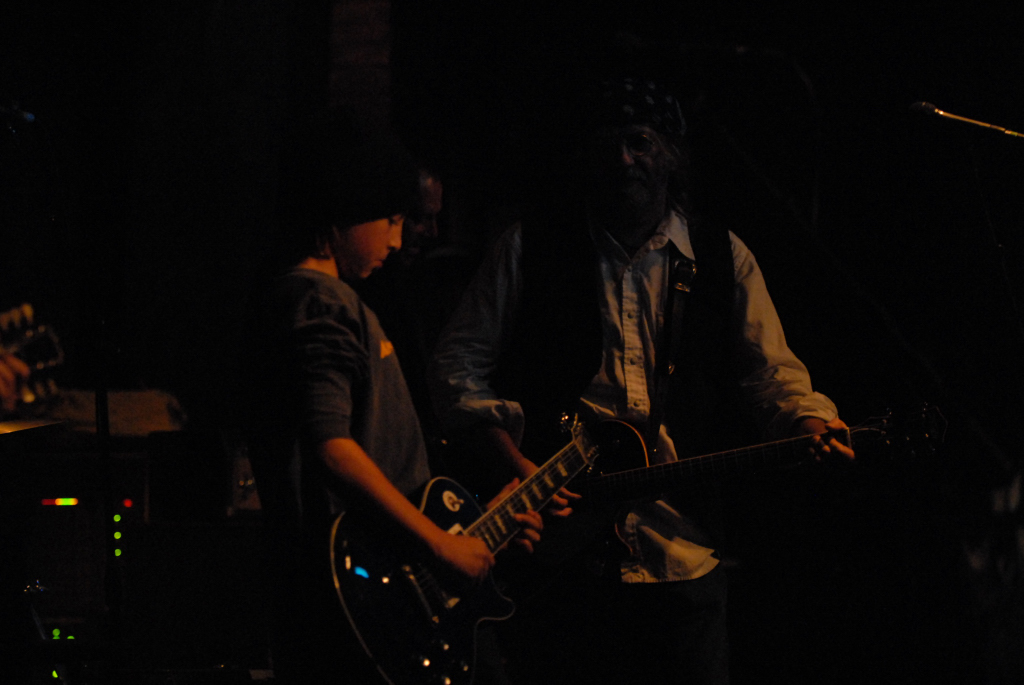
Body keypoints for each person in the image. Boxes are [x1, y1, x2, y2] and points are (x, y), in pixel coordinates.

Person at [428, 75, 855, 684]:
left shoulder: (721, 255)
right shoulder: (531, 246)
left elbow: (772, 373)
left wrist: (808, 422)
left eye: (640, 141)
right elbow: (455, 366)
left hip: (682, 555)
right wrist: (516, 464)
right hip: (558, 563)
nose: (623, 159)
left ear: (672, 155)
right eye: (609, 144)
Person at [242, 111, 542, 684]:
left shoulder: (299, 299)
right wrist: (440, 547)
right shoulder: (322, 303)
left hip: (382, 577)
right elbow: (333, 449)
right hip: (365, 591)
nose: (399, 239)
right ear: (343, 213)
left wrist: (477, 528)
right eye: (390, 219)